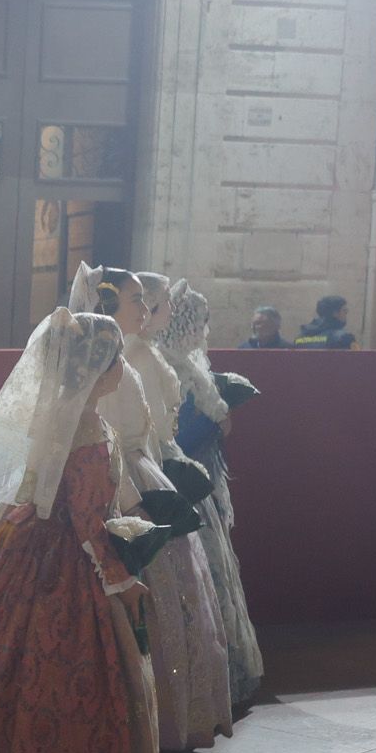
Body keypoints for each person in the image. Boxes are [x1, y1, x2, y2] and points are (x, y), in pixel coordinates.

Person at [0, 309, 161, 753]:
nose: (121, 371)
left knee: (2, 671)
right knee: (65, 677)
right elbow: (88, 524)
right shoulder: (86, 428)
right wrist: (122, 581)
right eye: (115, 363)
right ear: (99, 369)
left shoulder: (64, 415)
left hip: (25, 550)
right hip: (67, 564)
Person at [71, 265, 232, 750]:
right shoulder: (109, 365)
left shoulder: (130, 358)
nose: (145, 309)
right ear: (109, 306)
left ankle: (167, 710)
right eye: (135, 300)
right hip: (119, 475)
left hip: (141, 467)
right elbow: (102, 442)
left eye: (146, 300)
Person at [158, 281, 265, 704]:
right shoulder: (164, 365)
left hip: (201, 480)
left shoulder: (191, 364)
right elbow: (171, 437)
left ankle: (221, 674)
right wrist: (212, 425)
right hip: (183, 481)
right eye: (200, 321)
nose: (205, 330)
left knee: (215, 574)